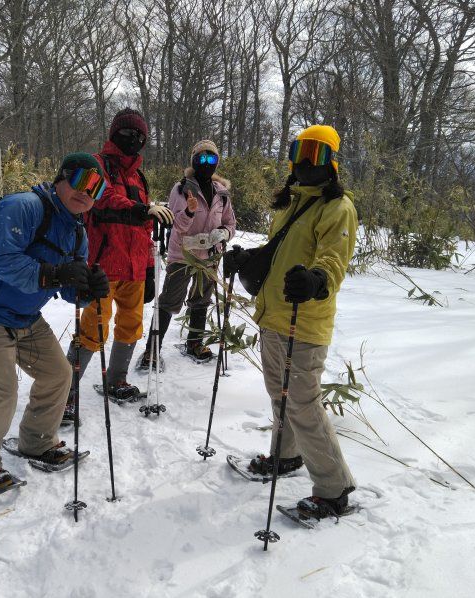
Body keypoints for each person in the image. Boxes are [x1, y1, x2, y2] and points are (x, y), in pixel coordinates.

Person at [0, 152, 110, 497]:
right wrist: (53, 273)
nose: (87, 192)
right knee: (0, 394)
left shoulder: (78, 233)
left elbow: (67, 289)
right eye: (82, 181)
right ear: (62, 178)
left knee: (59, 374)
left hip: (23, 316)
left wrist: (86, 288)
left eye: (97, 189)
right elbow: (0, 260)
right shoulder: (23, 207)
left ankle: (37, 442)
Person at [224, 125, 358, 519]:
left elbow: (333, 260)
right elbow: (279, 251)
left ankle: (334, 489)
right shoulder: (291, 202)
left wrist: (317, 280)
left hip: (306, 319)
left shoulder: (338, 208)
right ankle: (286, 456)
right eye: (299, 151)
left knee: (302, 403)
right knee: (280, 394)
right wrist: (246, 258)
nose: (304, 162)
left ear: (330, 162)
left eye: (315, 154)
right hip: (275, 314)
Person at [62, 108, 174, 420]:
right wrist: (142, 210)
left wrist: (150, 271)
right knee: (93, 329)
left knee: (131, 325)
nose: (133, 139)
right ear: (114, 133)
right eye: (127, 133)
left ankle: (116, 379)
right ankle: (65, 393)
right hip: (103, 264)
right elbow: (104, 202)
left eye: (140, 136)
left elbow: (145, 227)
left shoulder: (139, 176)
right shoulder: (97, 165)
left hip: (136, 267)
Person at [138, 139, 236, 368]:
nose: (206, 162)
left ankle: (194, 343)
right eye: (201, 157)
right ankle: (151, 351)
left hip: (210, 256)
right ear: (193, 159)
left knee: (201, 300)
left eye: (211, 158)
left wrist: (223, 233)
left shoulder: (221, 193)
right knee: (169, 302)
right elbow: (174, 225)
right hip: (183, 255)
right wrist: (190, 213)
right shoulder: (181, 189)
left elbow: (230, 223)